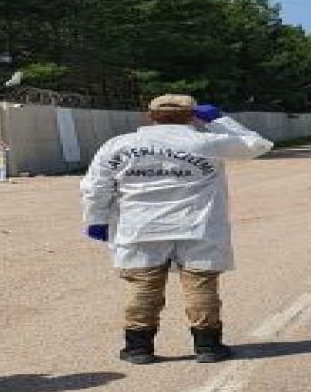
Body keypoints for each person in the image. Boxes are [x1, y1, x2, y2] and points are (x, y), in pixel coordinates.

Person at [80, 94, 273, 365]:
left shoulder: (119, 145)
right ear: (193, 115)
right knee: (200, 285)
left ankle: (138, 348)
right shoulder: (206, 142)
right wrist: (220, 120)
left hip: (140, 227)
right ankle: (208, 347)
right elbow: (258, 145)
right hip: (198, 226)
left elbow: (95, 187)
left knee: (144, 287)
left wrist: (96, 219)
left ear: (148, 115)